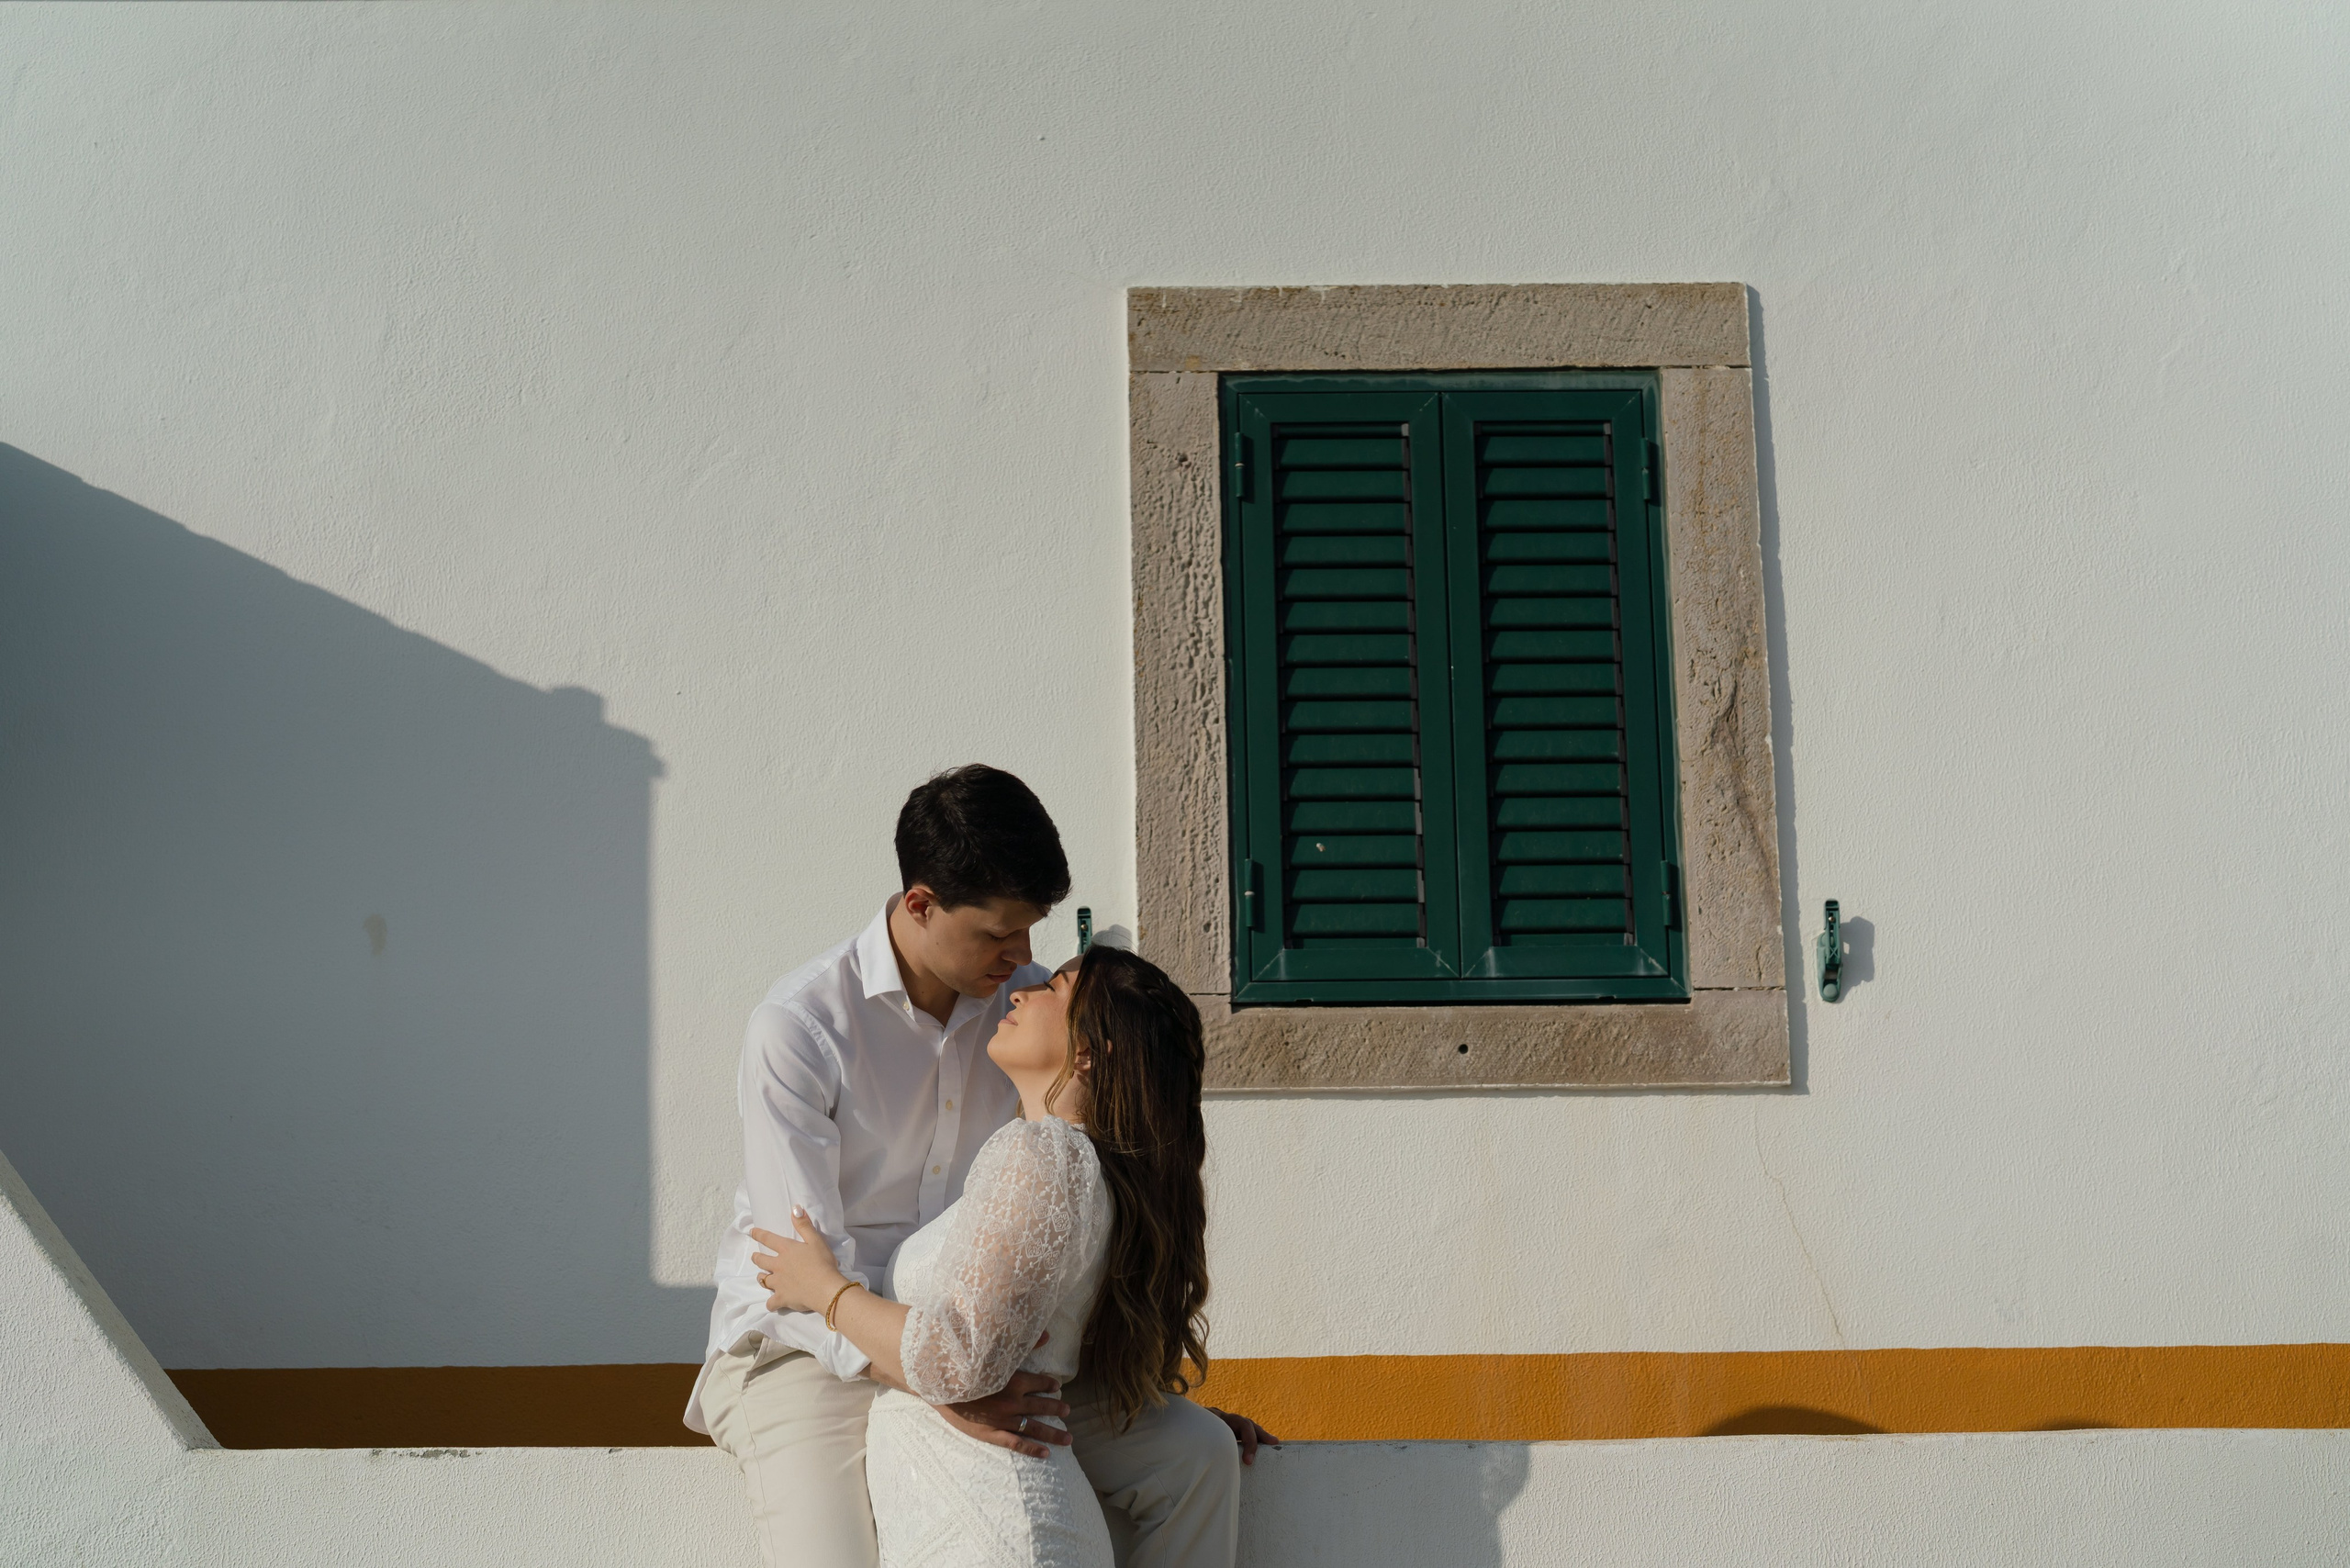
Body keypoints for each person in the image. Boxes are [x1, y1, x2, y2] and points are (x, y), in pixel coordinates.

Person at [685, 764, 1273, 1568]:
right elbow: (799, 1273)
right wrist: (944, 1385)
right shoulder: (799, 1029)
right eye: (997, 933)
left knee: (1197, 1454)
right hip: (812, 1349)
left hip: (979, 1345)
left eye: (1031, 929)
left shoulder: (1032, 1007)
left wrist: (1142, 1382)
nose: (1022, 956)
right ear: (921, 904)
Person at [756, 942, 1216, 1568]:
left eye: (1053, 990)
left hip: (996, 1532)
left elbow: (955, 1358)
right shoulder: (1073, 1163)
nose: (1021, 990)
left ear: (1086, 1052)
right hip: (985, 1527)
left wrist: (827, 1293)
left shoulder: (1041, 1155)